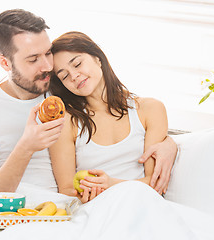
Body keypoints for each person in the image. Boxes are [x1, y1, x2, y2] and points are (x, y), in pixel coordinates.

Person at [0, 9, 177, 195]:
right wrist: (26, 146)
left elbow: (124, 119)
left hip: (63, 210)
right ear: (5, 63)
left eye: (47, 54)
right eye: (33, 59)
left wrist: (170, 144)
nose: (46, 67)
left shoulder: (63, 94)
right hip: (18, 209)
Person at [48, 31, 172, 202]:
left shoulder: (150, 109)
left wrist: (111, 184)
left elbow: (155, 184)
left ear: (98, 58)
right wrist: (86, 195)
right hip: (95, 211)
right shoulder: (67, 122)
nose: (74, 76)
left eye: (77, 64)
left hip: (143, 205)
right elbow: (67, 190)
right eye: (64, 76)